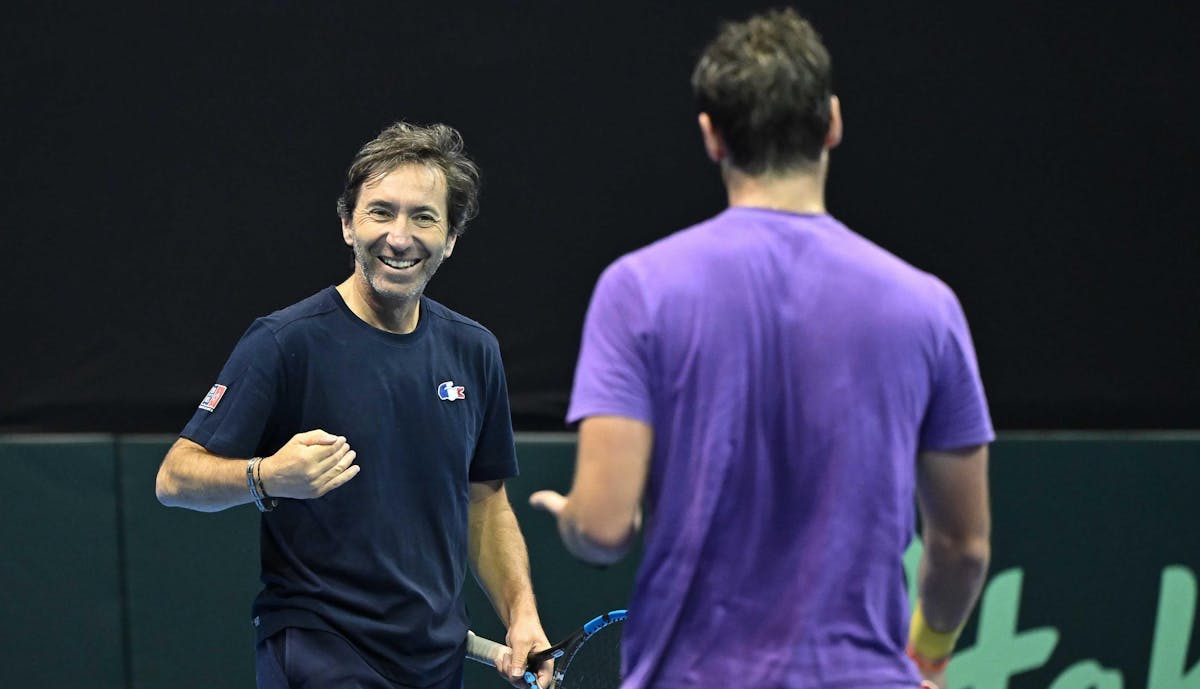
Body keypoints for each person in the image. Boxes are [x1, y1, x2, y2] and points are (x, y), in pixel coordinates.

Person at [530, 9, 992, 689]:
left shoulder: (637, 289)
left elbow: (603, 528)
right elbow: (962, 547)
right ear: (832, 122)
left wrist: (572, 520)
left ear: (712, 137)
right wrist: (923, 656)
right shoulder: (929, 306)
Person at [156, 121, 550, 689]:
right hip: (318, 647)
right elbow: (174, 478)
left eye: (424, 216)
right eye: (380, 212)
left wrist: (522, 617)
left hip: (433, 658)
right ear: (347, 224)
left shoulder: (474, 350)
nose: (399, 236)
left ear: (452, 236)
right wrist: (265, 476)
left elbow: (485, 503)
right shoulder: (283, 342)